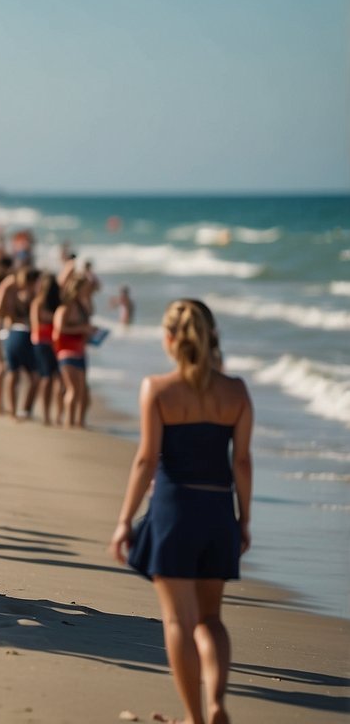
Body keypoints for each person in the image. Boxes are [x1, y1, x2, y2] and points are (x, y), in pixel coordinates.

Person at [110, 300, 252, 724]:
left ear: (170, 339)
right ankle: (216, 703)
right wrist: (243, 520)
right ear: (211, 337)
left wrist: (123, 521)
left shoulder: (157, 388)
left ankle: (193, 716)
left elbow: (146, 460)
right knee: (211, 619)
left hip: (174, 513)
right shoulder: (237, 392)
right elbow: (241, 463)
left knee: (177, 621)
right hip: (217, 511)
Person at [0, 266, 41, 420]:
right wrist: (6, 286)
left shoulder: (33, 291)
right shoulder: (11, 288)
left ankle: (24, 410)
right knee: (12, 372)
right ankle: (10, 409)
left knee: (28, 375)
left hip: (24, 334)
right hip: (13, 332)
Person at [53, 276, 95, 428]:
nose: (87, 291)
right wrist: (81, 329)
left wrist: (90, 331)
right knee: (72, 389)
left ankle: (80, 422)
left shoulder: (83, 307)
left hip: (80, 351)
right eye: (84, 288)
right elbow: (59, 329)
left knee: (83, 390)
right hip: (66, 351)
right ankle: (68, 422)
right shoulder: (65, 308)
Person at [29, 274, 62, 426]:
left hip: (53, 343)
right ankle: (46, 414)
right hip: (42, 343)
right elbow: (36, 324)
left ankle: (55, 414)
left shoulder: (55, 304)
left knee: (55, 379)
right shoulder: (38, 303)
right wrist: (53, 317)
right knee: (47, 378)